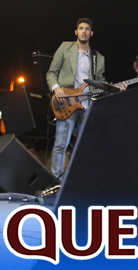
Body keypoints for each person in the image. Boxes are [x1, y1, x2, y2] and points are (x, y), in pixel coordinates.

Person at [46, 18, 106, 180]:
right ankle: (56, 182)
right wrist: (56, 88)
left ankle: (77, 181)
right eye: (81, 28)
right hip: (67, 103)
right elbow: (51, 73)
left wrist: (115, 88)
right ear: (76, 32)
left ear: (91, 33)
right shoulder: (65, 48)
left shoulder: (98, 58)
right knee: (61, 144)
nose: (84, 31)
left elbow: (101, 82)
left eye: (87, 29)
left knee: (84, 147)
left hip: (87, 106)